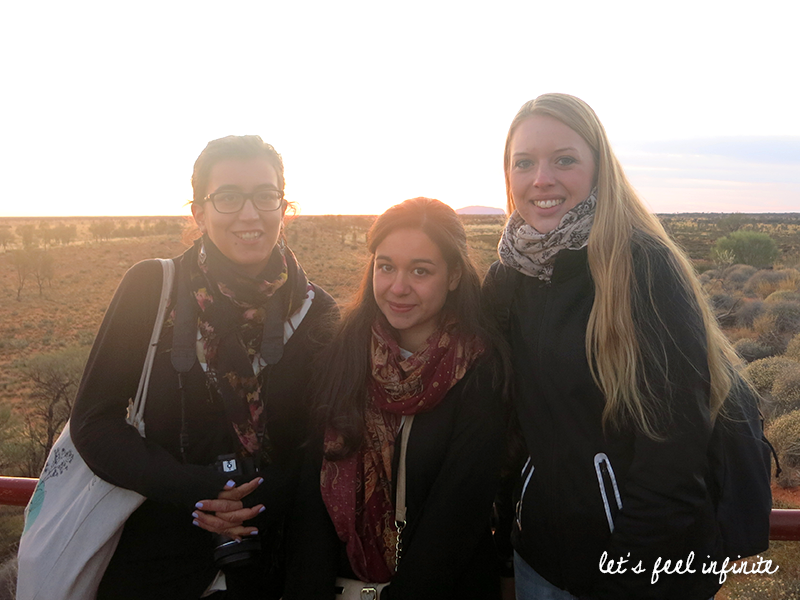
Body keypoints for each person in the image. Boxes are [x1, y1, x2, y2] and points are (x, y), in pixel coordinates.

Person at [483, 94, 744, 600]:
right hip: (538, 562)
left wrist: (627, 572)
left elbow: (674, 449)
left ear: (599, 167)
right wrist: (507, 548)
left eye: (564, 159)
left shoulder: (643, 268)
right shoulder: (508, 280)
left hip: (640, 569)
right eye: (524, 162)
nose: (542, 179)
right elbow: (505, 426)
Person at [70, 135, 337, 600]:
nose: (249, 214)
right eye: (228, 197)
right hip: (152, 568)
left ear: (284, 207)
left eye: (265, 195)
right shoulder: (152, 289)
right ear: (199, 213)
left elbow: (324, 447)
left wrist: (259, 495)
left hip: (271, 570)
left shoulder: (317, 314)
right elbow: (94, 422)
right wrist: (200, 489)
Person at [285, 197, 507, 600]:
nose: (398, 287)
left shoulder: (480, 372)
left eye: (420, 271)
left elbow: (458, 515)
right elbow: (312, 494)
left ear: (454, 275)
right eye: (386, 267)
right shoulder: (340, 353)